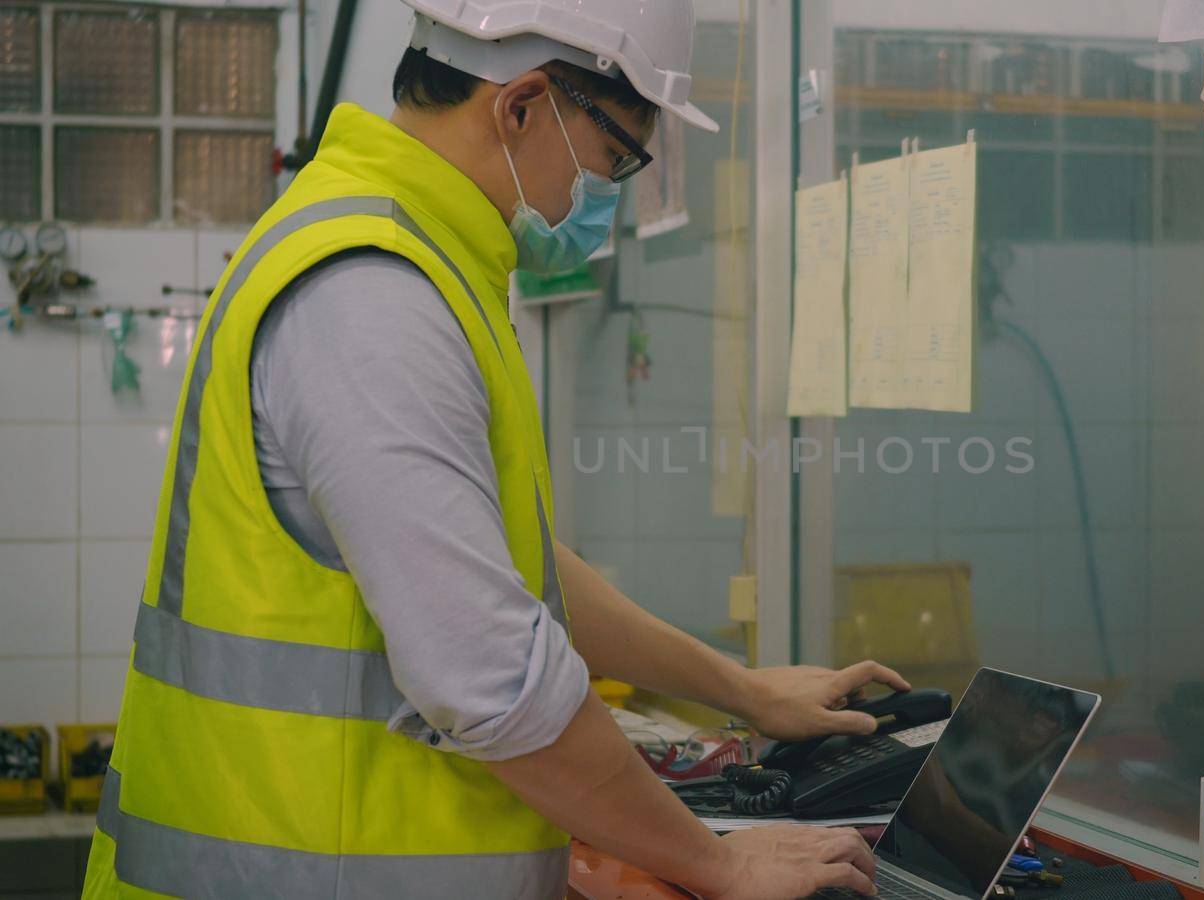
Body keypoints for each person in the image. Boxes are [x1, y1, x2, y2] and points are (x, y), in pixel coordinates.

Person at [81, 1, 905, 897]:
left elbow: (503, 566)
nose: (609, 192)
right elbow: (490, 675)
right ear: (520, 106)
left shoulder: (419, 257)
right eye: (619, 156)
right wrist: (718, 861)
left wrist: (742, 691)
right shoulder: (374, 293)